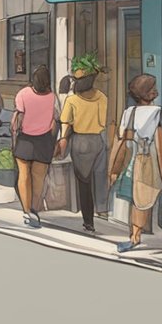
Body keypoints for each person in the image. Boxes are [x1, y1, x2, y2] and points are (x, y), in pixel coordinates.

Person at [111, 74, 162, 254]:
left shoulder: (129, 112)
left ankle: (134, 236)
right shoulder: (156, 113)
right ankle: (135, 236)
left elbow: (120, 142)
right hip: (147, 164)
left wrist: (113, 169)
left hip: (130, 162)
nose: (155, 90)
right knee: (142, 201)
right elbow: (160, 150)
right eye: (152, 87)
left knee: (134, 200)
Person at [58, 68, 110, 234]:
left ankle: (88, 221)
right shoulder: (102, 97)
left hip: (80, 142)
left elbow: (65, 122)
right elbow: (103, 122)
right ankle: (102, 209)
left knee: (84, 182)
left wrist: (63, 140)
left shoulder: (72, 100)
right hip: (98, 140)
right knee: (100, 177)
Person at [13, 66, 58, 229]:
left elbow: (18, 117)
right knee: (38, 178)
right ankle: (34, 209)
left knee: (24, 176)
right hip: (44, 140)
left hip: (25, 139)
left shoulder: (23, 94)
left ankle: (26, 211)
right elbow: (55, 121)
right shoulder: (53, 97)